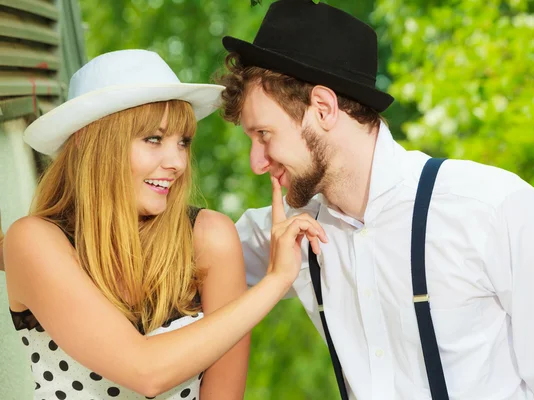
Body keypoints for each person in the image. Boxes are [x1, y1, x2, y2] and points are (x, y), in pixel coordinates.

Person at [216, 1, 534, 399]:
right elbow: (175, 252)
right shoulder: (289, 234)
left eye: (264, 134)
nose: (257, 162)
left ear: (324, 108)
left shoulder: (493, 209)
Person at [3, 49, 326, 400]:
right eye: (153, 139)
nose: (176, 162)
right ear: (88, 141)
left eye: (183, 142)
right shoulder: (35, 241)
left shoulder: (208, 239)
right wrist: (275, 281)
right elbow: (145, 371)